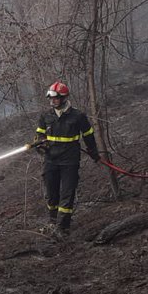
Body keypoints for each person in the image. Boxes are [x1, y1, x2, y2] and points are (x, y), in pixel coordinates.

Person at [33, 81, 99, 234]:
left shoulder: (78, 116)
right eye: (51, 98)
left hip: (70, 160)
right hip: (51, 160)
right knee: (51, 194)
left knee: (67, 194)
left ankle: (62, 228)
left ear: (63, 98)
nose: (52, 101)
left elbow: (88, 134)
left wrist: (93, 151)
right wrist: (40, 144)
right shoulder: (46, 116)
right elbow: (39, 134)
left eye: (55, 98)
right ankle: (53, 222)